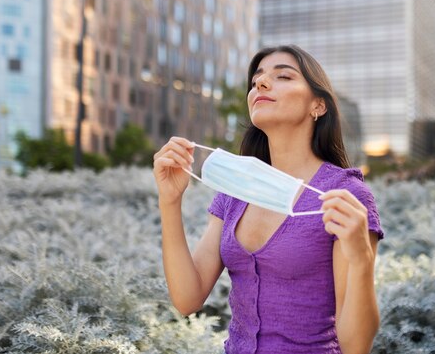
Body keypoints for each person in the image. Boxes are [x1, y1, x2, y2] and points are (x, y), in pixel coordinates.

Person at [153, 45, 384, 354]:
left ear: (318, 105)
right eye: (256, 80)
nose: (260, 84)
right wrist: (169, 202)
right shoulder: (234, 187)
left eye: (283, 76)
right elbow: (187, 298)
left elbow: (356, 347)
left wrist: (361, 259)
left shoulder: (345, 195)